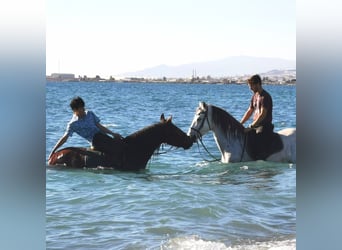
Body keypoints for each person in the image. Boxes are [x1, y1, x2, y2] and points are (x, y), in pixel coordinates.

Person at [48, 96, 124, 165]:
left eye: (83, 107)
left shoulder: (90, 114)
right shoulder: (73, 124)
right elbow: (64, 138)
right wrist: (53, 150)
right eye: (81, 108)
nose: (84, 109)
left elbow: (100, 127)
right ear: (75, 110)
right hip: (95, 141)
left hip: (103, 137)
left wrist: (113, 134)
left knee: (119, 142)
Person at [240, 74, 274, 159]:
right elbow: (249, 111)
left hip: (264, 126)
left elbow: (263, 115)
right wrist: (240, 123)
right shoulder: (254, 96)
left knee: (259, 137)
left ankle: (261, 159)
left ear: (258, 84)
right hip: (256, 125)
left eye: (251, 86)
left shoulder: (265, 97)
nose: (250, 88)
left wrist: (251, 126)